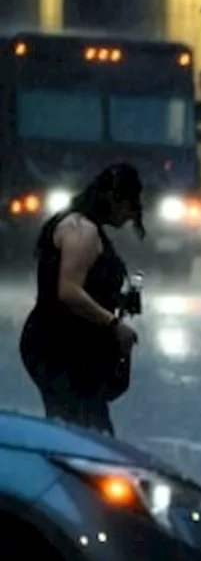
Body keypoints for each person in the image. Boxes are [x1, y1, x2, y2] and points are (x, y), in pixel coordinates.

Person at [19, 163, 144, 436]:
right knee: (85, 428)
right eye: (129, 207)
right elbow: (69, 290)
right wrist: (113, 324)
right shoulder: (81, 230)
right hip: (60, 345)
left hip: (68, 344)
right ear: (112, 198)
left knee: (76, 424)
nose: (129, 217)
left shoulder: (85, 227)